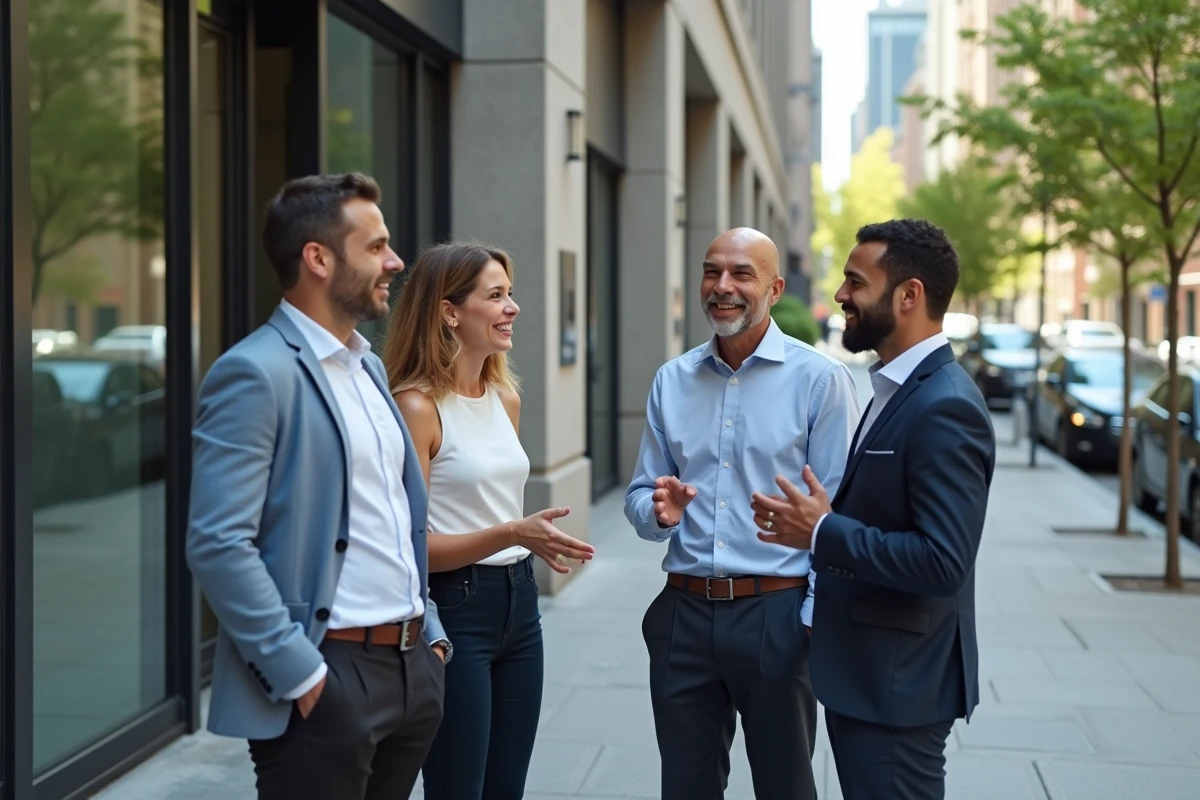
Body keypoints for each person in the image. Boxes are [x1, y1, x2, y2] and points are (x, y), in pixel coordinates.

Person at [185, 173, 450, 800]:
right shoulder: (253, 373)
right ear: (319, 259)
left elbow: (392, 514)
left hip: (411, 667)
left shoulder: (370, 367)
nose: (395, 261)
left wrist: (430, 636)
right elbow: (219, 543)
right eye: (376, 246)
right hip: (328, 674)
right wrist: (301, 675)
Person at [749, 219, 995, 800]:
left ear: (908, 295)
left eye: (855, 282)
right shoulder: (903, 388)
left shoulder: (944, 406)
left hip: (899, 686)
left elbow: (942, 561)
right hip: (875, 676)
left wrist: (823, 530)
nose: (840, 296)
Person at [624, 227, 860, 799]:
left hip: (776, 617)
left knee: (785, 787)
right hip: (682, 615)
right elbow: (638, 498)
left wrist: (807, 620)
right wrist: (661, 513)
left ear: (775, 289)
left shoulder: (819, 381)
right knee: (685, 787)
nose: (722, 287)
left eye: (741, 274)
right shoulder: (672, 380)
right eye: (712, 271)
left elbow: (840, 515)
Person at [385, 242, 596, 800]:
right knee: (458, 789)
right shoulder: (416, 407)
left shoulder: (505, 398)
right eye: (496, 295)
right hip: (454, 611)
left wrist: (528, 539)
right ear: (450, 311)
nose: (513, 307)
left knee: (507, 788)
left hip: (520, 606)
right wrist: (511, 532)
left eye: (511, 293)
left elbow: (497, 511)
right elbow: (409, 548)